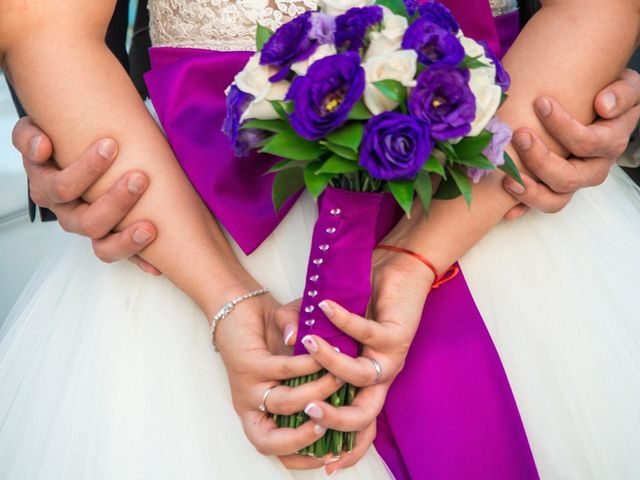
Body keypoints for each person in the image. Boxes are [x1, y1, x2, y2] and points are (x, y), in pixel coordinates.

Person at [0, 1, 639, 479]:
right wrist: (222, 296)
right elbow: (44, 27)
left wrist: (422, 252)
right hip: (190, 212)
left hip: (492, 174)